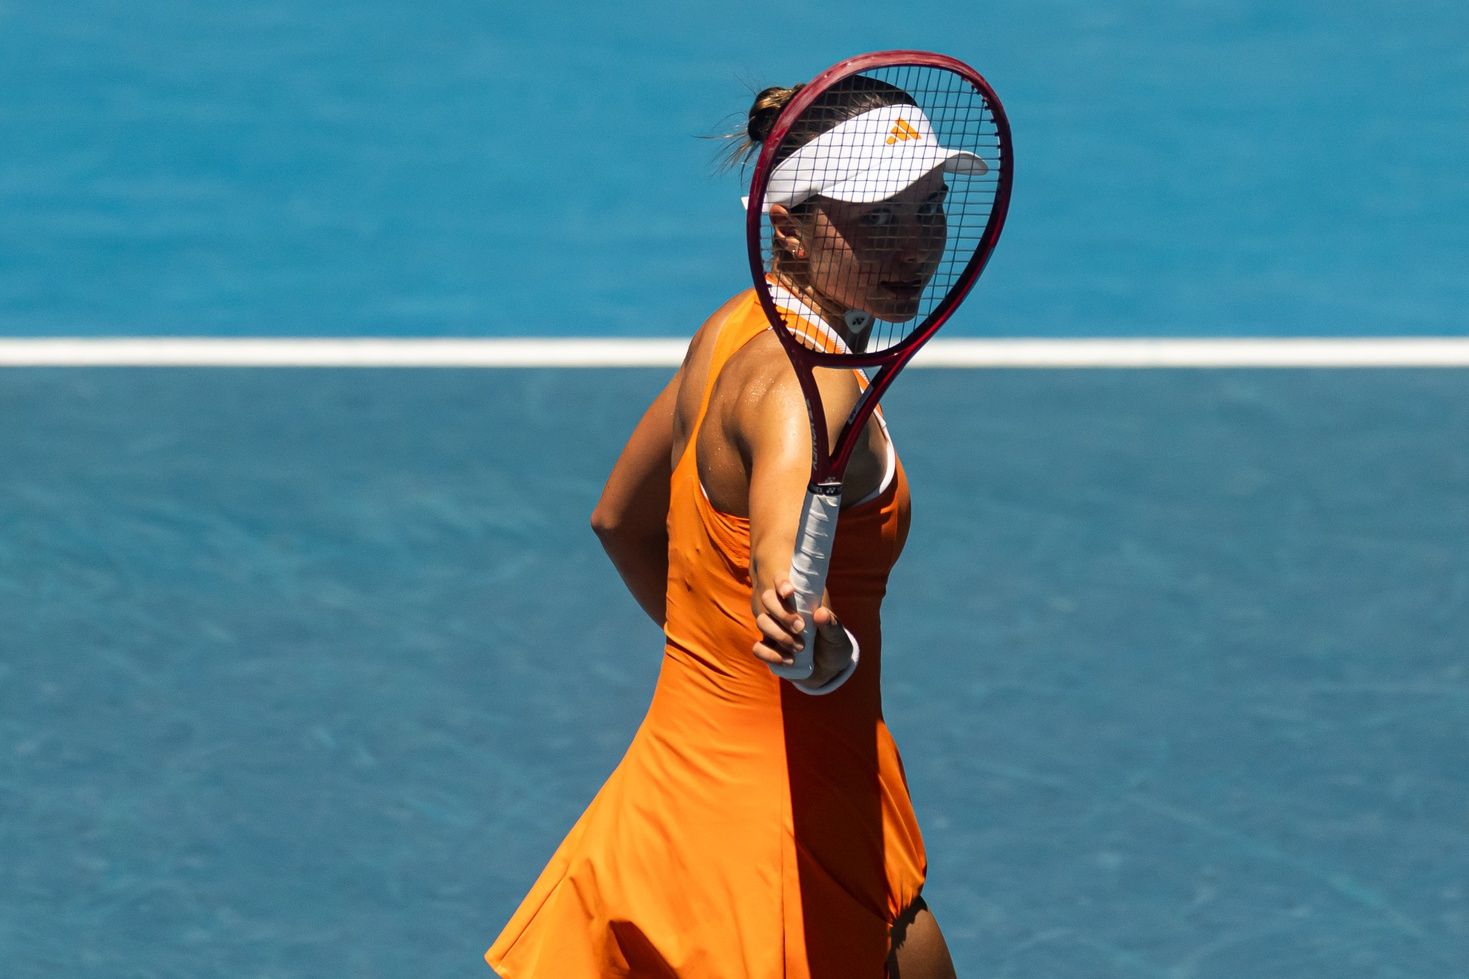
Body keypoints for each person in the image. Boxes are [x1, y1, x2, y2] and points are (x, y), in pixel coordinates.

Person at [486, 76, 963, 978]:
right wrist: (806, 643)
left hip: (677, 789)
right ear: (787, 226)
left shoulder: (731, 333)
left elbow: (618, 521)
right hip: (785, 827)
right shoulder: (810, 387)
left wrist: (729, 658)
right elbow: (785, 573)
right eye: (874, 219)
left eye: (929, 208)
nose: (914, 246)